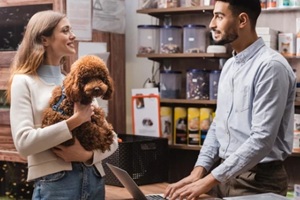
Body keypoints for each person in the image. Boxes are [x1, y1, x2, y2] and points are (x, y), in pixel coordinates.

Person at [164, 0, 296, 199]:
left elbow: (262, 139)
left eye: (219, 16)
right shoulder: (230, 66)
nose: (211, 24)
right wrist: (198, 172)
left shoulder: (270, 67)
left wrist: (207, 181)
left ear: (242, 20)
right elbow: (219, 125)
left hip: (258, 182)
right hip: (224, 176)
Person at [6, 10, 118, 200]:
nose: (72, 35)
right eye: (65, 31)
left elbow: (113, 139)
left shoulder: (77, 82)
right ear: (44, 39)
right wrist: (74, 121)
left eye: (71, 30)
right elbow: (24, 144)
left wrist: (86, 155)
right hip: (56, 183)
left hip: (94, 179)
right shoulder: (23, 82)